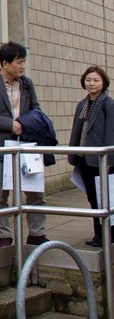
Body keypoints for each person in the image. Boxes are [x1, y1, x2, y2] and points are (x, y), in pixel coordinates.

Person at [0, 41, 47, 247]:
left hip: (26, 146)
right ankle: (3, 236)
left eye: (23, 62)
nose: (22, 66)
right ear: (5, 63)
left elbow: (36, 108)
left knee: (35, 192)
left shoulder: (27, 84)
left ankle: (37, 234)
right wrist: (11, 125)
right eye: (18, 62)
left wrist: (28, 123)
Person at [68, 65, 114, 247]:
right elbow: (76, 131)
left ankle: (107, 234)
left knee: (105, 199)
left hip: (101, 161)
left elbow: (111, 133)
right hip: (84, 159)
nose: (92, 83)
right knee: (93, 199)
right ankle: (98, 234)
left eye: (96, 80)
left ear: (103, 82)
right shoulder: (82, 104)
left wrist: (110, 159)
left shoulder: (108, 103)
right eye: (88, 80)